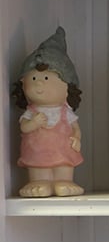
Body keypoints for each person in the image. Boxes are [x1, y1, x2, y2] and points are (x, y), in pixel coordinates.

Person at [11, 26, 84, 197]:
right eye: (33, 78)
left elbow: (75, 128)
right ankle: (38, 181)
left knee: (64, 165)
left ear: (68, 87)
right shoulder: (31, 111)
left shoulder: (65, 111)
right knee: (38, 165)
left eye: (45, 78)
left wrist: (77, 138)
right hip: (37, 151)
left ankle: (64, 181)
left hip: (62, 150)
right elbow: (24, 127)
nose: (39, 84)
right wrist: (33, 123)